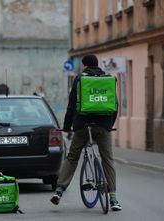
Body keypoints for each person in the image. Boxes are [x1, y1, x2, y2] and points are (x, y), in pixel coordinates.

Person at [50, 54, 122, 211]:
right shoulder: (108, 79)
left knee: (72, 157)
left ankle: (59, 191)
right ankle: (114, 198)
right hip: (103, 125)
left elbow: (71, 106)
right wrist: (109, 124)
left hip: (82, 125)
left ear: (85, 66)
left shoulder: (79, 79)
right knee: (108, 159)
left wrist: (68, 127)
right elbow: (114, 105)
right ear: (97, 65)